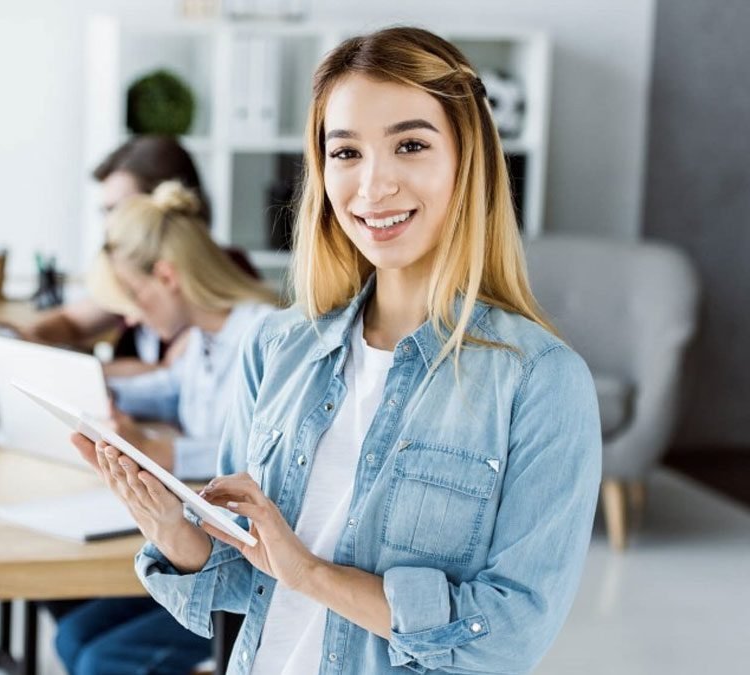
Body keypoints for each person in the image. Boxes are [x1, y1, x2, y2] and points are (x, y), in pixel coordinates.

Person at [73, 27, 602, 674]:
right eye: (346, 152)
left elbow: (509, 634)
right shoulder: (277, 346)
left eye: (410, 145)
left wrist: (313, 573)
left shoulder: (541, 382)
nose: (372, 185)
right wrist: (174, 530)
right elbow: (245, 573)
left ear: (468, 161)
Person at [52, 181, 279, 675]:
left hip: (242, 560)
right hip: (199, 534)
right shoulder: (205, 338)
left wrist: (167, 453)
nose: (132, 315)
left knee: (100, 658)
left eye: (135, 296)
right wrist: (84, 384)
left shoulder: (265, 335)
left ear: (167, 276)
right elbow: (168, 388)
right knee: (73, 637)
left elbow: (253, 458)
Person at [23, 135, 255, 376]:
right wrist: (27, 340)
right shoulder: (133, 273)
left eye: (119, 209)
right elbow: (71, 321)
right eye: (105, 211)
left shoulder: (214, 291)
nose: (107, 225)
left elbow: (170, 379)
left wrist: (75, 372)